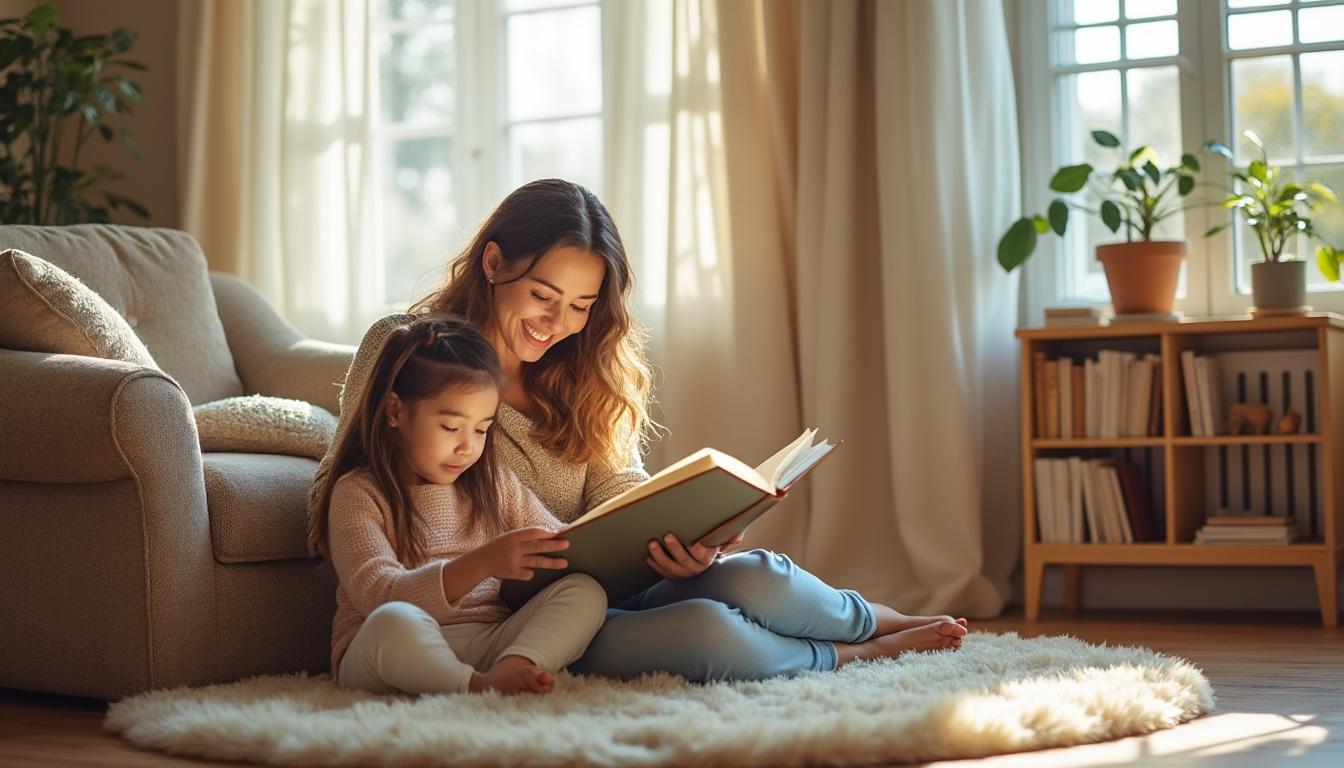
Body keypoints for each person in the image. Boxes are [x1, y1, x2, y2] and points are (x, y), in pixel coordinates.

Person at [314, 179, 967, 683]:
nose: (557, 322)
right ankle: (856, 655)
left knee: (755, 574)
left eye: (579, 306)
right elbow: (344, 483)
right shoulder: (407, 350)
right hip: (519, 621)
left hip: (591, 579)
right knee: (708, 635)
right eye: (543, 295)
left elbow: (616, 487)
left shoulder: (579, 371)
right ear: (492, 263)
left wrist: (688, 529)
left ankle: (882, 620)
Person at [308, 315, 607, 695]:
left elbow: (560, 544)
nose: (468, 447)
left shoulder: (493, 483)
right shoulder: (357, 493)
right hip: (392, 648)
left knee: (583, 591)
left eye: (481, 429)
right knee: (393, 620)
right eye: (451, 428)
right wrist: (482, 562)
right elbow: (378, 594)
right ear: (395, 411)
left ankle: (513, 668)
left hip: (489, 638)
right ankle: (472, 686)